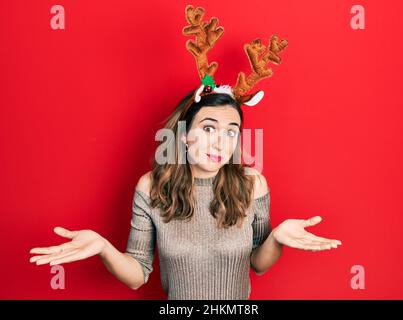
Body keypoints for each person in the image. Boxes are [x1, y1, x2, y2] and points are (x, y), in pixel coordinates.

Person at [29, 5, 342, 300]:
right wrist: (102, 247)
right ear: (184, 133)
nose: (221, 142)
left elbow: (258, 263)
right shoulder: (151, 187)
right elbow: (137, 274)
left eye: (231, 132)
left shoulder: (253, 184)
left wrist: (276, 237)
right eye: (208, 128)